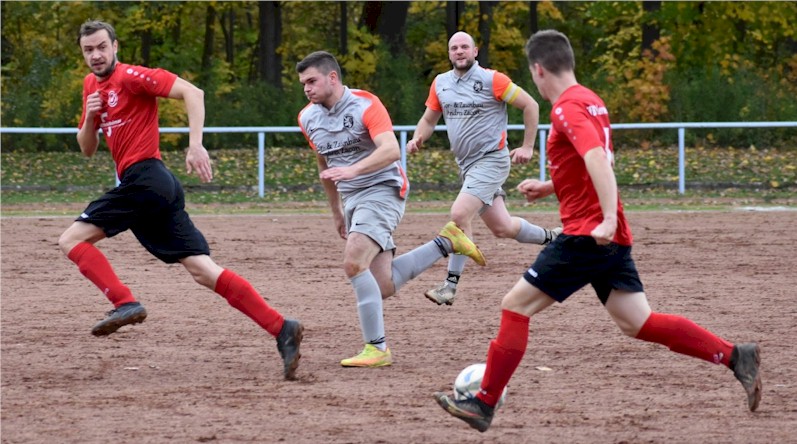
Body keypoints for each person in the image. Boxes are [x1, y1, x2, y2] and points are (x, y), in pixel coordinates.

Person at [433, 29, 762, 432]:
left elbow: (596, 159)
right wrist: (553, 186)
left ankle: (483, 404)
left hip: (588, 234)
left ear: (538, 70)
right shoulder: (591, 101)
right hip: (610, 235)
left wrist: (604, 218)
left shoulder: (565, 109)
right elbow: (593, 159)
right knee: (637, 322)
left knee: (514, 306)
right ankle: (736, 356)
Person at [59, 20, 304, 381]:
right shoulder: (90, 88)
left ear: (115, 46)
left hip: (147, 179)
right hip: (154, 188)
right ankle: (282, 327)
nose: (96, 55)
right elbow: (87, 148)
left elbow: (194, 92)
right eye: (88, 50)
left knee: (70, 240)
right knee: (203, 271)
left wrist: (195, 144)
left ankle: (124, 302)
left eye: (101, 47)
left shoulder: (131, 76)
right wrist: (91, 115)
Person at [296, 51, 486, 368]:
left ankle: (377, 348)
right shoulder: (307, 118)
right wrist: (336, 211)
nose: (307, 88)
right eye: (303, 83)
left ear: (332, 78)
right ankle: (448, 242)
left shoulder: (365, 104)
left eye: (312, 81)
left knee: (354, 262)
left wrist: (353, 171)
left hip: (383, 189)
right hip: (352, 198)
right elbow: (323, 163)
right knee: (383, 285)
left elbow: (389, 149)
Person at [406, 31, 561, 307]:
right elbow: (428, 120)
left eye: (465, 46)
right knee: (503, 227)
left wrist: (527, 147)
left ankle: (449, 286)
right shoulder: (440, 83)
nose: (459, 51)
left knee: (458, 214)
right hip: (467, 167)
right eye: (454, 48)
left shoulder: (493, 79)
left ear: (475, 51)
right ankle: (555, 237)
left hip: (491, 160)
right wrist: (418, 137)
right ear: (449, 53)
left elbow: (531, 104)